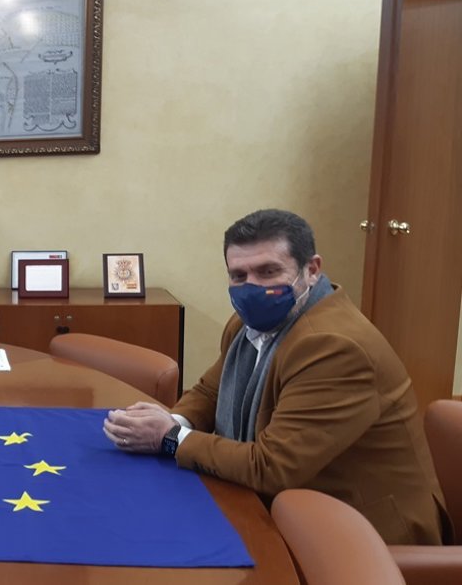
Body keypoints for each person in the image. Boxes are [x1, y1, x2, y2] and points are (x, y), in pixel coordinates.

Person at [102, 209, 448, 545]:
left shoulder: (334, 347)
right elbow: (210, 391)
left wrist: (170, 438)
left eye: (268, 271)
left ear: (311, 270)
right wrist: (174, 420)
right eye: (239, 276)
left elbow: (272, 467)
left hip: (363, 539)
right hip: (287, 507)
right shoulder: (247, 324)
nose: (252, 287)